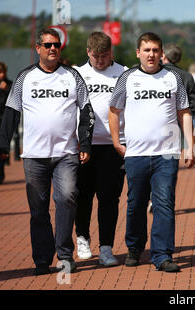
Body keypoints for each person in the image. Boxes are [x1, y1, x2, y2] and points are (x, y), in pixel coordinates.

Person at [0, 28, 94, 276]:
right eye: (48, 44)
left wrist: (85, 142)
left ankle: (64, 254)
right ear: (37, 48)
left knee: (67, 197)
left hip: (66, 153)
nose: (53, 48)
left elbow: (87, 110)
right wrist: (2, 144)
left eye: (57, 45)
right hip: (34, 156)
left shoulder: (72, 76)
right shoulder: (24, 78)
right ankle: (42, 259)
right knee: (38, 209)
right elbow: (11, 111)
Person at [108, 32, 195, 273]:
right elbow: (114, 110)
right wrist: (117, 142)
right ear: (138, 53)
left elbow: (184, 112)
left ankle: (162, 254)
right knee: (136, 203)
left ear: (162, 54)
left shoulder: (173, 78)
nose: (151, 54)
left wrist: (190, 144)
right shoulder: (127, 78)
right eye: (146, 50)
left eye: (155, 50)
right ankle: (135, 248)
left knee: (164, 203)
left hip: (166, 154)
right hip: (136, 154)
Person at [73, 32, 127, 266]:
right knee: (82, 197)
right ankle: (82, 238)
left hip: (113, 146)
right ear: (88, 52)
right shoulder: (77, 74)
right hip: (84, 145)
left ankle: (106, 248)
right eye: (95, 56)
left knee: (109, 198)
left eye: (104, 56)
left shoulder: (123, 73)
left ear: (111, 53)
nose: (100, 61)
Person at [162, 43, 195, 117]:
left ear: (163, 56)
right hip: (182, 120)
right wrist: (187, 116)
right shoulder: (187, 76)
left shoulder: (157, 74)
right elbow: (193, 100)